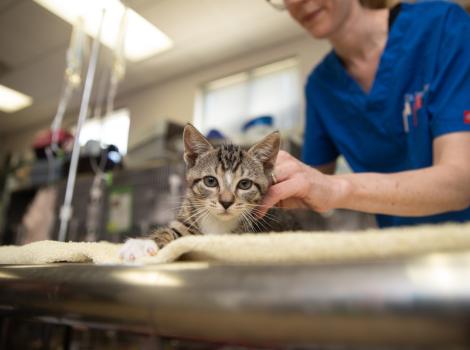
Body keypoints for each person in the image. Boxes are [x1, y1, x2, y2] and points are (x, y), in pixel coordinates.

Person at [262, 0, 470, 227]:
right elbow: (303, 188)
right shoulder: (320, 87)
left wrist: (335, 188)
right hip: (400, 246)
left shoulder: (441, 26)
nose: (296, 2)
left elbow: (461, 183)